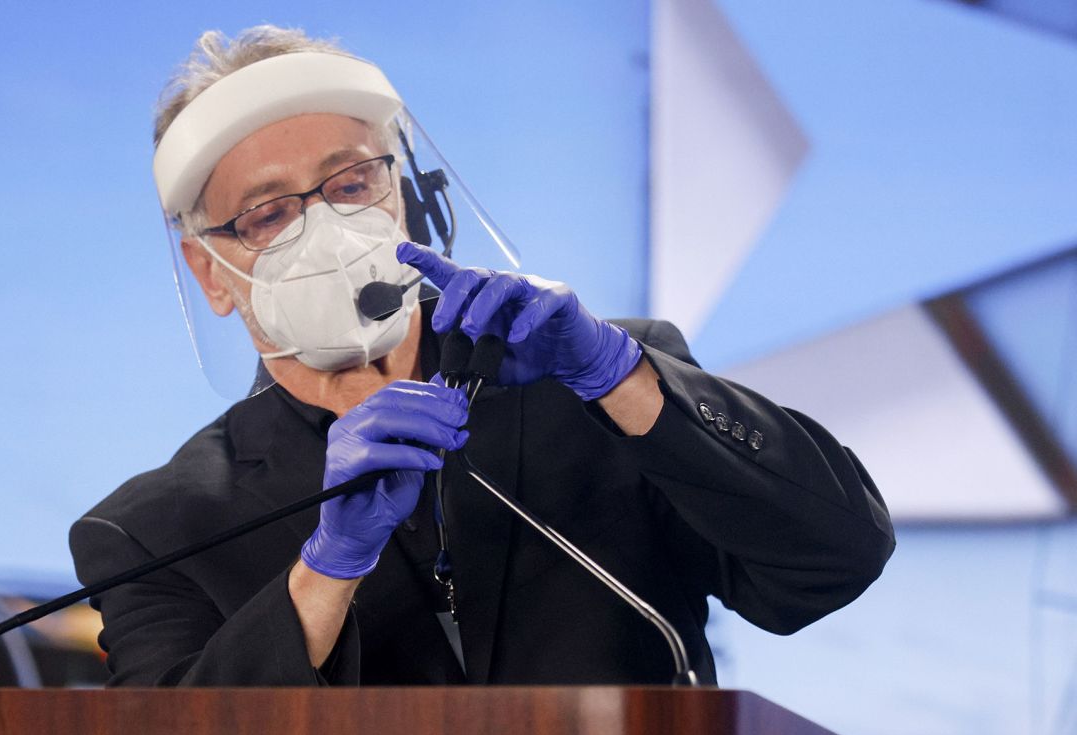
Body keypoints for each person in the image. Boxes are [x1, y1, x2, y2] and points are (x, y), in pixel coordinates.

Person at [68, 26, 894, 687]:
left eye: (351, 184)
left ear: (412, 199)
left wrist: (624, 380)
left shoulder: (597, 388)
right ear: (212, 271)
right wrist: (324, 572)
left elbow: (833, 561)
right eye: (269, 212)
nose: (323, 227)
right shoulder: (153, 531)